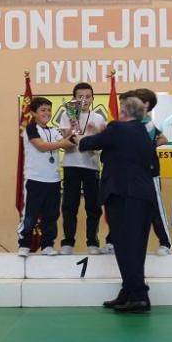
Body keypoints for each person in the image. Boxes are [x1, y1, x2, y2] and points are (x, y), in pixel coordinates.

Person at [75, 95, 157, 313]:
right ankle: (130, 291)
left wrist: (79, 135)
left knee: (125, 245)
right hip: (144, 195)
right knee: (135, 246)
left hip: (123, 194)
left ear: (124, 112)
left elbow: (87, 144)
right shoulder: (144, 132)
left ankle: (138, 295)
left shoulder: (117, 129)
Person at [58, 82, 107, 255]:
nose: (84, 100)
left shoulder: (99, 118)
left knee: (93, 206)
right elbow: (65, 143)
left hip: (92, 166)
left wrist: (93, 136)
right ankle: (67, 243)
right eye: (80, 96)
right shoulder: (66, 114)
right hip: (71, 165)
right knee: (69, 205)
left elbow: (102, 145)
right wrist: (72, 125)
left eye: (87, 96)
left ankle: (93, 242)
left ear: (93, 98)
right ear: (74, 98)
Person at [17, 97, 70, 257]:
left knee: (51, 215)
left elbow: (68, 141)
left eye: (48, 110)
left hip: (53, 180)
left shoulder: (53, 130)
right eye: (43, 110)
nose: (47, 113)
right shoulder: (30, 128)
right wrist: (62, 143)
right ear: (33, 112)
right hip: (35, 179)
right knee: (30, 214)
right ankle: (24, 244)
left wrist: (73, 127)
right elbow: (41, 146)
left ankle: (48, 245)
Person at [126, 88, 172, 255]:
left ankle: (166, 243)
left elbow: (163, 139)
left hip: (149, 172)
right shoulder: (130, 121)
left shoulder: (147, 123)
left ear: (145, 105)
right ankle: (118, 243)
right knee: (128, 209)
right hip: (131, 173)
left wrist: (149, 146)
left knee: (155, 208)